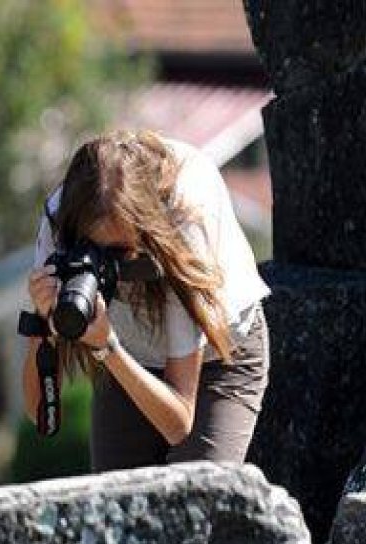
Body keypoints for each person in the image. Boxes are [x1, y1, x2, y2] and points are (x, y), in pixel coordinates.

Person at [22, 129, 271, 471]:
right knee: (115, 513)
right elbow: (37, 409)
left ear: (147, 230)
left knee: (193, 505)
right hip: (127, 351)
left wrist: (107, 347)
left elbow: (178, 424)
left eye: (121, 253)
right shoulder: (59, 221)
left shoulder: (184, 225)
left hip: (219, 357)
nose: (109, 268)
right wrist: (46, 320)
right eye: (94, 252)